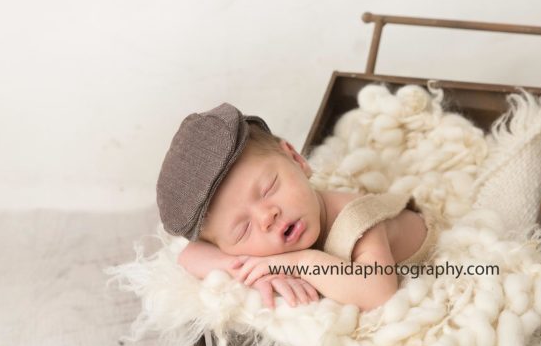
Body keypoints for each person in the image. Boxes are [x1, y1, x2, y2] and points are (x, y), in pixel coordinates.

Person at [156, 103, 439, 311]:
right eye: (243, 230)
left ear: (296, 159)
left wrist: (298, 262)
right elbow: (189, 255)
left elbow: (378, 292)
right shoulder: (252, 244)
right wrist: (247, 270)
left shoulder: (357, 220)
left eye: (268, 189)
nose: (267, 217)